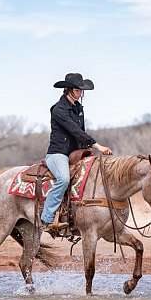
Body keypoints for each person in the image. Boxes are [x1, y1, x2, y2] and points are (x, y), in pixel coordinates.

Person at [40, 73, 112, 232]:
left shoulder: (78, 108)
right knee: (64, 179)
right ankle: (47, 217)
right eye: (78, 90)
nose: (81, 93)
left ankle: (79, 215)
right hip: (57, 153)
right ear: (68, 90)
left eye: (82, 91)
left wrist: (86, 151)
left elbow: (81, 131)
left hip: (75, 152)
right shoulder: (59, 109)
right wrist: (97, 146)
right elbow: (75, 131)